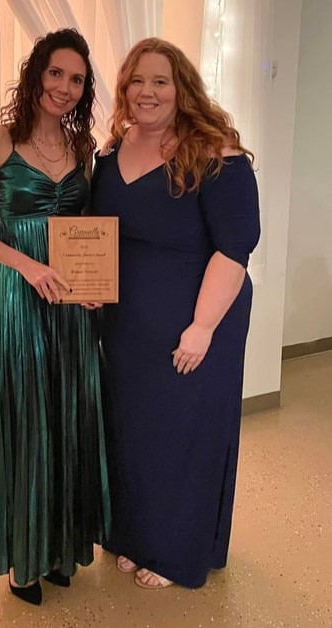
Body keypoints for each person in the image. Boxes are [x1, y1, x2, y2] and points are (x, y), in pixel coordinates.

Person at [91, 38, 260, 590]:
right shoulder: (110, 152)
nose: (148, 92)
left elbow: (234, 250)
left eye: (160, 81)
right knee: (133, 434)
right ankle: (137, 536)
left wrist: (203, 327)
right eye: (137, 81)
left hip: (197, 323)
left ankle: (175, 548)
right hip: (126, 328)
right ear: (125, 90)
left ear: (182, 87)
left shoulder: (216, 153)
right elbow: (102, 237)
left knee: (185, 435)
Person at [0, 28, 110, 606]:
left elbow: (85, 230)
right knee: (24, 420)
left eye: (76, 79)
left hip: (69, 307)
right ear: (36, 72)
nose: (64, 87)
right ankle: (23, 559)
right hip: (20, 304)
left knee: (65, 416)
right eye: (56, 73)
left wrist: (95, 286)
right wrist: (26, 266)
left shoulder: (83, 147)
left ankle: (60, 547)